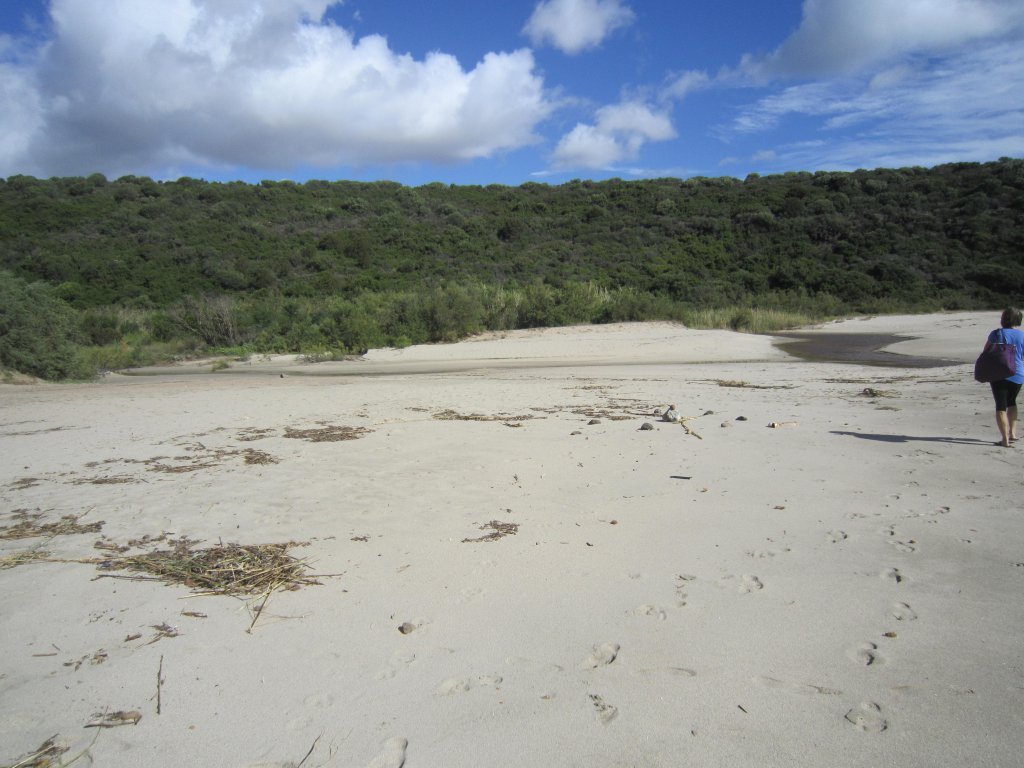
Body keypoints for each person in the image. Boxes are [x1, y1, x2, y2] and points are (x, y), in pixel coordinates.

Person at [984, 307, 1024, 447]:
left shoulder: (996, 334)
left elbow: (986, 352)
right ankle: (1013, 433)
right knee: (1011, 402)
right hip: (1018, 373)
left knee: (1000, 406)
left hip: (999, 373)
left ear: (1003, 319)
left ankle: (1005, 439)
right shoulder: (1022, 335)